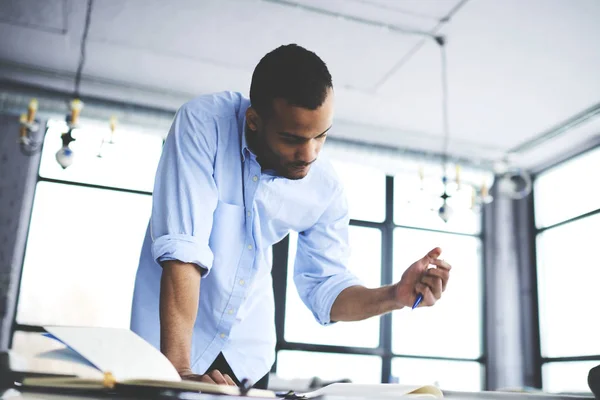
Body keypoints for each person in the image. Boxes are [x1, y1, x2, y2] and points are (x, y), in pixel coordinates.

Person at [130, 44, 451, 390]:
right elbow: (184, 251)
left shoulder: (324, 187)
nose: (309, 154)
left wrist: (395, 295)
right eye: (292, 139)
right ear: (254, 121)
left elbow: (326, 288)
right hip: (165, 349)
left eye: (321, 136)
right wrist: (178, 369)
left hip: (247, 357)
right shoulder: (203, 124)